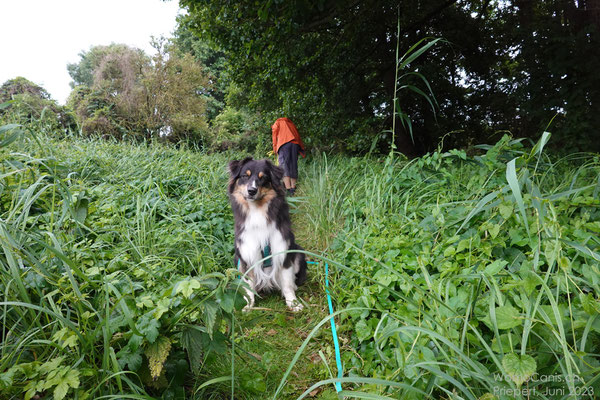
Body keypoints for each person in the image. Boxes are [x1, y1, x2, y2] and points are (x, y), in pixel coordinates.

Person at [271, 117, 306, 196]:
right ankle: (293, 188)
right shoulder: (291, 124)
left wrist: (275, 148)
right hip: (295, 144)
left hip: (283, 144)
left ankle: (288, 189)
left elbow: (274, 133)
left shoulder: (278, 122)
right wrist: (301, 148)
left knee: (284, 165)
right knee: (293, 164)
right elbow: (297, 135)